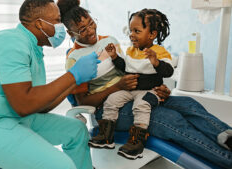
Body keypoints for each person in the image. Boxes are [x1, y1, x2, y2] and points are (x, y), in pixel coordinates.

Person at [57, 0, 232, 168]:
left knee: (189, 104)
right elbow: (83, 102)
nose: (90, 31)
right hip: (110, 110)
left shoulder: (109, 41)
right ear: (71, 34)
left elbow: (129, 68)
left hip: (135, 93)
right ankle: (227, 159)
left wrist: (157, 88)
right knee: (168, 119)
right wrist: (117, 87)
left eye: (91, 23)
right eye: (82, 30)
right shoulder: (74, 59)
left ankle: (227, 137)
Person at [0, 0, 100, 169]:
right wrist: (73, 75)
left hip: (15, 118)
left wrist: (75, 82)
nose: (62, 28)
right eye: (57, 21)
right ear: (39, 24)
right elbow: (24, 104)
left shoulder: (32, 47)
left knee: (77, 131)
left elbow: (39, 106)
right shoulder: (11, 43)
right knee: (62, 165)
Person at [88, 9, 174, 160]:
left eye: (137, 31)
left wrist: (156, 62)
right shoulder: (131, 50)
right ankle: (106, 136)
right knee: (112, 100)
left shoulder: (158, 51)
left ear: (152, 34)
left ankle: (136, 142)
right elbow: (125, 67)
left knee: (141, 105)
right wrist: (115, 57)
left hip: (150, 91)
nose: (131, 34)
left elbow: (168, 71)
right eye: (130, 30)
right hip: (131, 90)